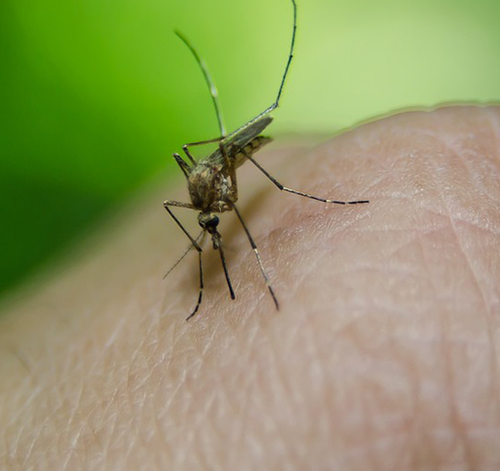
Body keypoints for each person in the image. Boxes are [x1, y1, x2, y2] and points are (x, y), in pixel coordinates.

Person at [1, 105, 499, 469]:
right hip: (210, 176)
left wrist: (251, 233)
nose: (211, 231)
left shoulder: (219, 195)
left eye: (208, 234)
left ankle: (279, 200)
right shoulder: (196, 210)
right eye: (208, 232)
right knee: (194, 200)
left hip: (221, 165)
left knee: (234, 190)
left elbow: (221, 195)